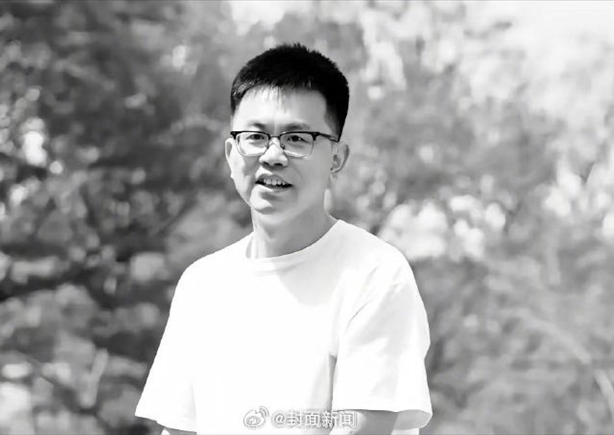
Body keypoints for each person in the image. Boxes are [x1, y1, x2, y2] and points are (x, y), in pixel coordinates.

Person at [135, 42, 432, 435]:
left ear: (336, 159)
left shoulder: (374, 274)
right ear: (231, 154)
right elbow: (179, 429)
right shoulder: (202, 284)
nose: (273, 155)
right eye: (256, 137)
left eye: (297, 139)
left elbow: (362, 427)